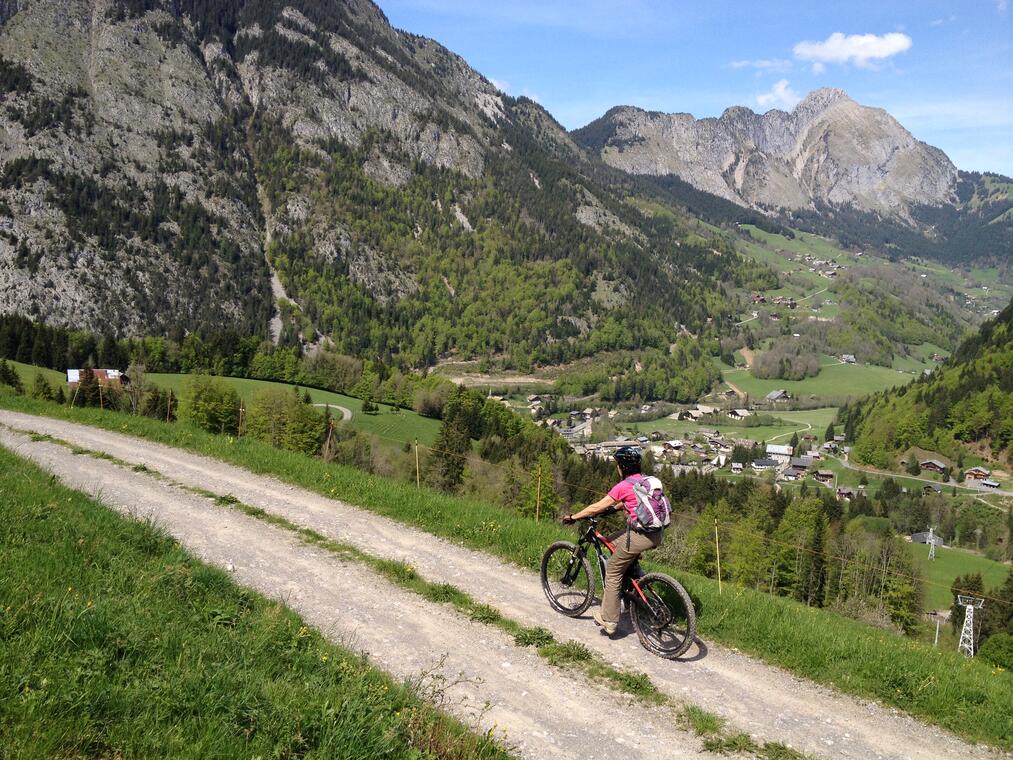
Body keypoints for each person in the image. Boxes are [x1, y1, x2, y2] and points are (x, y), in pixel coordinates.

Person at [561, 446, 664, 635]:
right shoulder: (645, 481)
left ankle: (609, 620)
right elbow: (630, 502)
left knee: (613, 571)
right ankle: (634, 578)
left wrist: (574, 517)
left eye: (617, 465)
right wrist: (613, 509)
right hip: (656, 534)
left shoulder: (624, 485)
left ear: (622, 467)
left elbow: (597, 506)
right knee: (611, 542)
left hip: (640, 536)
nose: (617, 468)